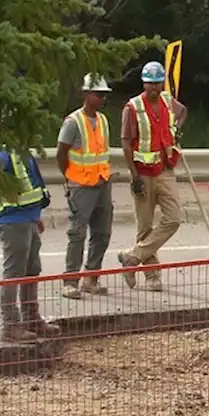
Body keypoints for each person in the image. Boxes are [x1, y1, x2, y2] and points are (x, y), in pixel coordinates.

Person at [117, 61, 187, 292]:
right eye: (150, 84)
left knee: (174, 218)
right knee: (145, 225)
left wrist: (175, 129)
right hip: (143, 173)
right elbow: (126, 144)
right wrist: (134, 176)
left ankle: (132, 257)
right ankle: (152, 275)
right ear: (144, 84)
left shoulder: (168, 101)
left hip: (166, 169)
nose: (154, 88)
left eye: (157, 83)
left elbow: (183, 112)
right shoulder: (133, 108)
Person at [0, 148, 60, 343]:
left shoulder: (22, 151)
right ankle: (10, 326)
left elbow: (30, 185)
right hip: (12, 220)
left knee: (31, 269)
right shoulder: (2, 154)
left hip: (27, 219)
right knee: (14, 272)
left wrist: (34, 217)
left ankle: (31, 319)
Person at [57, 74, 114, 299]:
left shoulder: (103, 120)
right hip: (81, 185)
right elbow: (61, 153)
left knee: (102, 232)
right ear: (86, 94)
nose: (102, 99)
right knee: (77, 233)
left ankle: (91, 277)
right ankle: (70, 280)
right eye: (98, 95)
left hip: (102, 182)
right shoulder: (73, 122)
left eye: (104, 95)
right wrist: (70, 178)